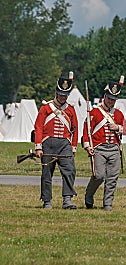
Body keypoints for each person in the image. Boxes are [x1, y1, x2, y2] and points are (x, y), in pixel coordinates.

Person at [82, 76, 126, 211]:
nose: (111, 102)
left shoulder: (119, 114)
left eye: (114, 99)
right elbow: (87, 129)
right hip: (99, 148)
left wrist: (118, 128)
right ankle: (89, 195)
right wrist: (87, 146)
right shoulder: (95, 112)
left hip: (114, 148)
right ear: (104, 97)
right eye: (109, 98)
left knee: (112, 178)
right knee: (99, 175)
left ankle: (107, 203)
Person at [34, 72, 78, 209]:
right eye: (61, 94)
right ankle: (47, 201)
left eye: (65, 95)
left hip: (65, 144)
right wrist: (38, 146)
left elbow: (74, 128)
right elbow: (38, 127)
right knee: (47, 173)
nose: (63, 97)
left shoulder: (70, 109)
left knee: (69, 170)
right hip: (48, 143)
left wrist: (73, 146)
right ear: (56, 93)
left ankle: (67, 200)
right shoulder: (46, 108)